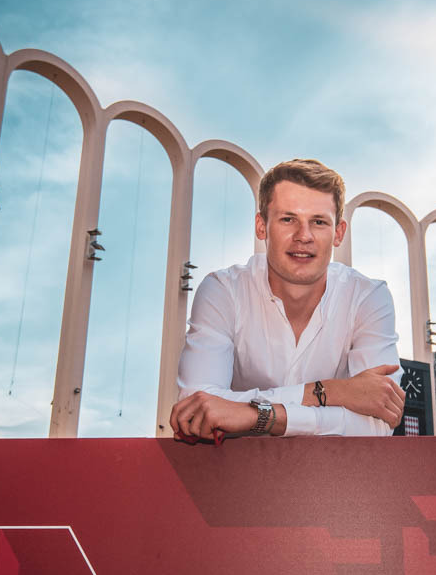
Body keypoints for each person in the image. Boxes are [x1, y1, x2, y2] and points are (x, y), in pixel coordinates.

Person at [170, 158, 406, 439]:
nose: (303, 236)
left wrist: (259, 416)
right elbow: (196, 410)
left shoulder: (368, 297)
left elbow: (378, 424)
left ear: (338, 233)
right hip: (233, 465)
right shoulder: (223, 291)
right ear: (262, 226)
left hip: (334, 466)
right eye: (288, 219)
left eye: (318, 222)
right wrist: (329, 392)